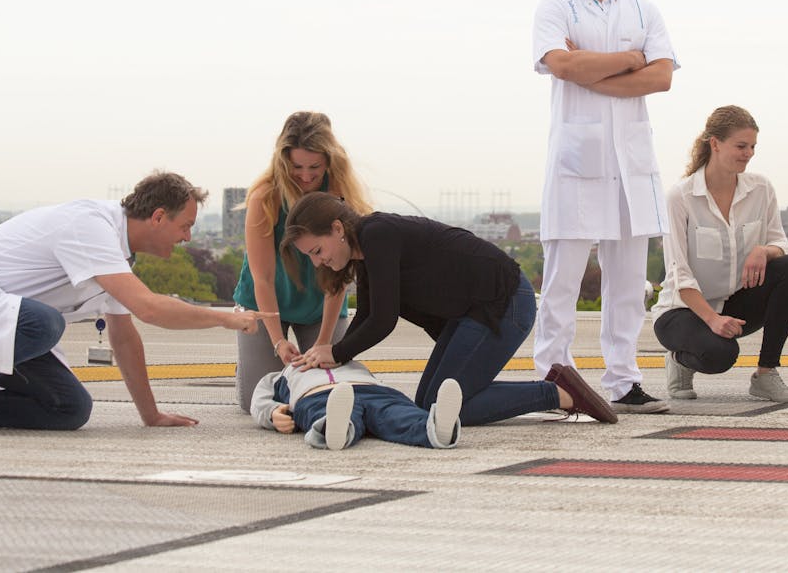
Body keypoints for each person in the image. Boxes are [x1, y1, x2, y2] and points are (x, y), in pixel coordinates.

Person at [0, 172, 274, 436]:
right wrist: (225, 319)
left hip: (0, 327)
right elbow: (151, 309)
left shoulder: (118, 256)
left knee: (71, 409)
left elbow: (124, 338)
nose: (188, 237)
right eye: (185, 225)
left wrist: (151, 415)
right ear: (158, 217)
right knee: (45, 324)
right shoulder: (90, 226)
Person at [285, 192, 619, 426]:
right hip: (473, 313)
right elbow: (367, 315)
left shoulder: (378, 235)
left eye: (317, 250)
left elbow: (383, 320)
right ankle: (558, 389)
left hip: (503, 303)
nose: (319, 261)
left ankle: (558, 393)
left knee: (445, 408)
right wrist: (329, 354)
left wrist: (338, 352)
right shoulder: (367, 252)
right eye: (311, 257)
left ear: (338, 229)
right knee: (430, 405)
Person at [531, 0, 678, 414]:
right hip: (576, 163)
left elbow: (661, 78)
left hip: (630, 165)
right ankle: (553, 380)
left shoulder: (643, 10)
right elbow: (561, 65)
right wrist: (628, 60)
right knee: (561, 283)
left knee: (627, 284)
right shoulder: (554, 8)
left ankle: (623, 380)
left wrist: (589, 69)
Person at [651, 107, 788, 402]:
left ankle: (766, 374)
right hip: (681, 311)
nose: (748, 153)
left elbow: (783, 245)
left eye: (752, 147)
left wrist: (764, 250)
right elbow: (679, 275)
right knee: (720, 355)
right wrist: (712, 319)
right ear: (715, 144)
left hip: (734, 302)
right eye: (741, 146)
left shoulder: (761, 189)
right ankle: (679, 360)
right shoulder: (680, 197)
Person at [232, 111, 370, 412]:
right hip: (267, 303)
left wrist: (323, 344)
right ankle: (250, 362)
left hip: (321, 305)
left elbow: (339, 277)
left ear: (329, 162)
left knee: (328, 386)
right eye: (297, 167)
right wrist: (279, 341)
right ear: (283, 162)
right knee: (254, 401)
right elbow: (263, 278)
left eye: (315, 167)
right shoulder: (264, 198)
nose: (306, 176)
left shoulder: (340, 196)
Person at [251, 360, 462, 450]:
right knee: (328, 409)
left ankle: (436, 429)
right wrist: (271, 413)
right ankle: (334, 429)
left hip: (375, 391)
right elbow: (258, 399)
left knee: (398, 413)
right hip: (319, 393)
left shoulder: (349, 359)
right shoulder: (284, 374)